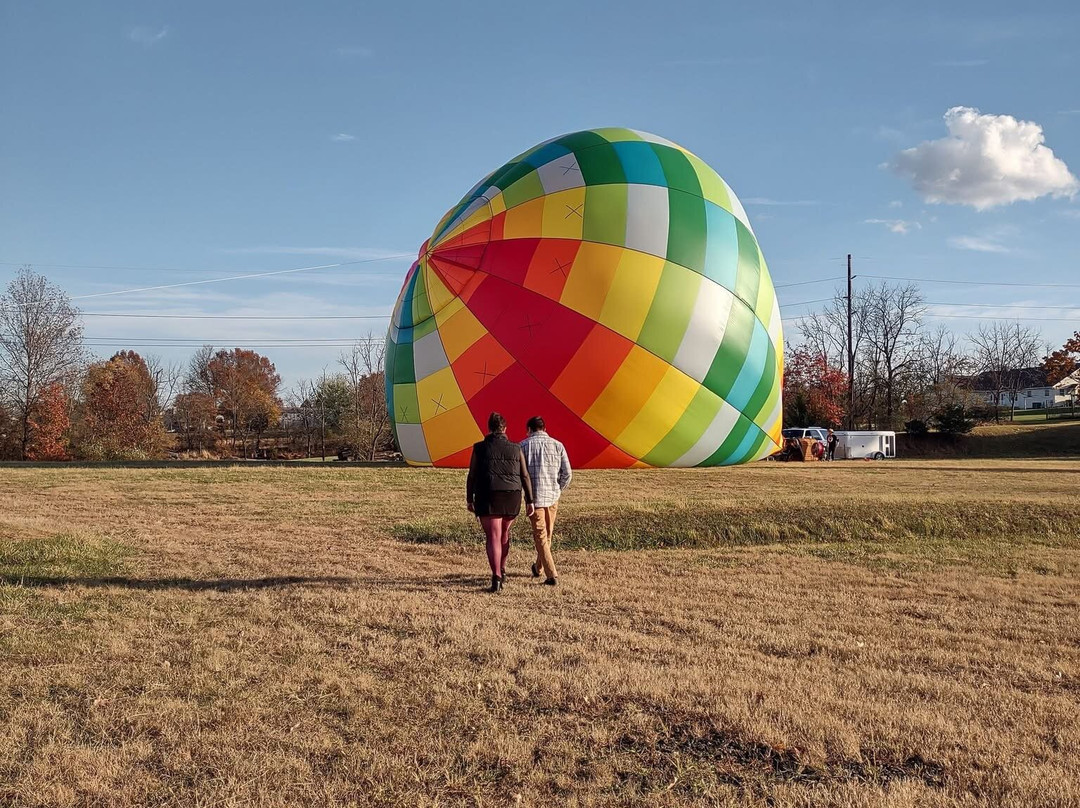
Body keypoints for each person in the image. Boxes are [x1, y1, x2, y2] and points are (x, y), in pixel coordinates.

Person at [466, 412, 534, 593]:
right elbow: (525, 475)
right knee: (504, 533)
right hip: (512, 495)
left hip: (488, 494)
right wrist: (530, 500)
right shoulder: (516, 448)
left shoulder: (479, 448)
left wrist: (469, 498)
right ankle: (502, 569)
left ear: (488, 428)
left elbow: (472, 475)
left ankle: (496, 576)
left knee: (493, 536)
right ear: (505, 429)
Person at [520, 416, 572, 587]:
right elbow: (567, 474)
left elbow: (520, 474)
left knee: (542, 536)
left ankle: (551, 575)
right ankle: (538, 567)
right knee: (546, 535)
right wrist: (557, 489)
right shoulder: (558, 445)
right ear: (544, 428)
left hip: (534, 499)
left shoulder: (523, 446)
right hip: (552, 497)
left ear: (529, 429)